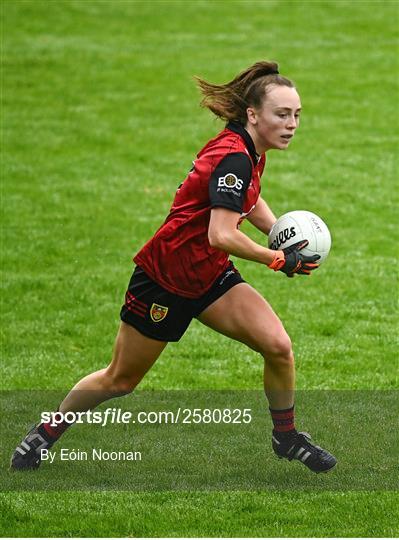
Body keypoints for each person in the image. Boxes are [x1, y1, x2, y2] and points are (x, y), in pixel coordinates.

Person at [11, 61, 337, 474]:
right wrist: (275, 258)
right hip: (165, 280)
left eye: (296, 115)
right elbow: (221, 233)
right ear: (253, 114)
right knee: (119, 381)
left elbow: (247, 201)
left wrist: (281, 235)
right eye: (282, 114)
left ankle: (287, 437)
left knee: (278, 347)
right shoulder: (235, 157)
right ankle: (48, 430)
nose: (292, 124)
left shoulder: (249, 150)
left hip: (209, 275)